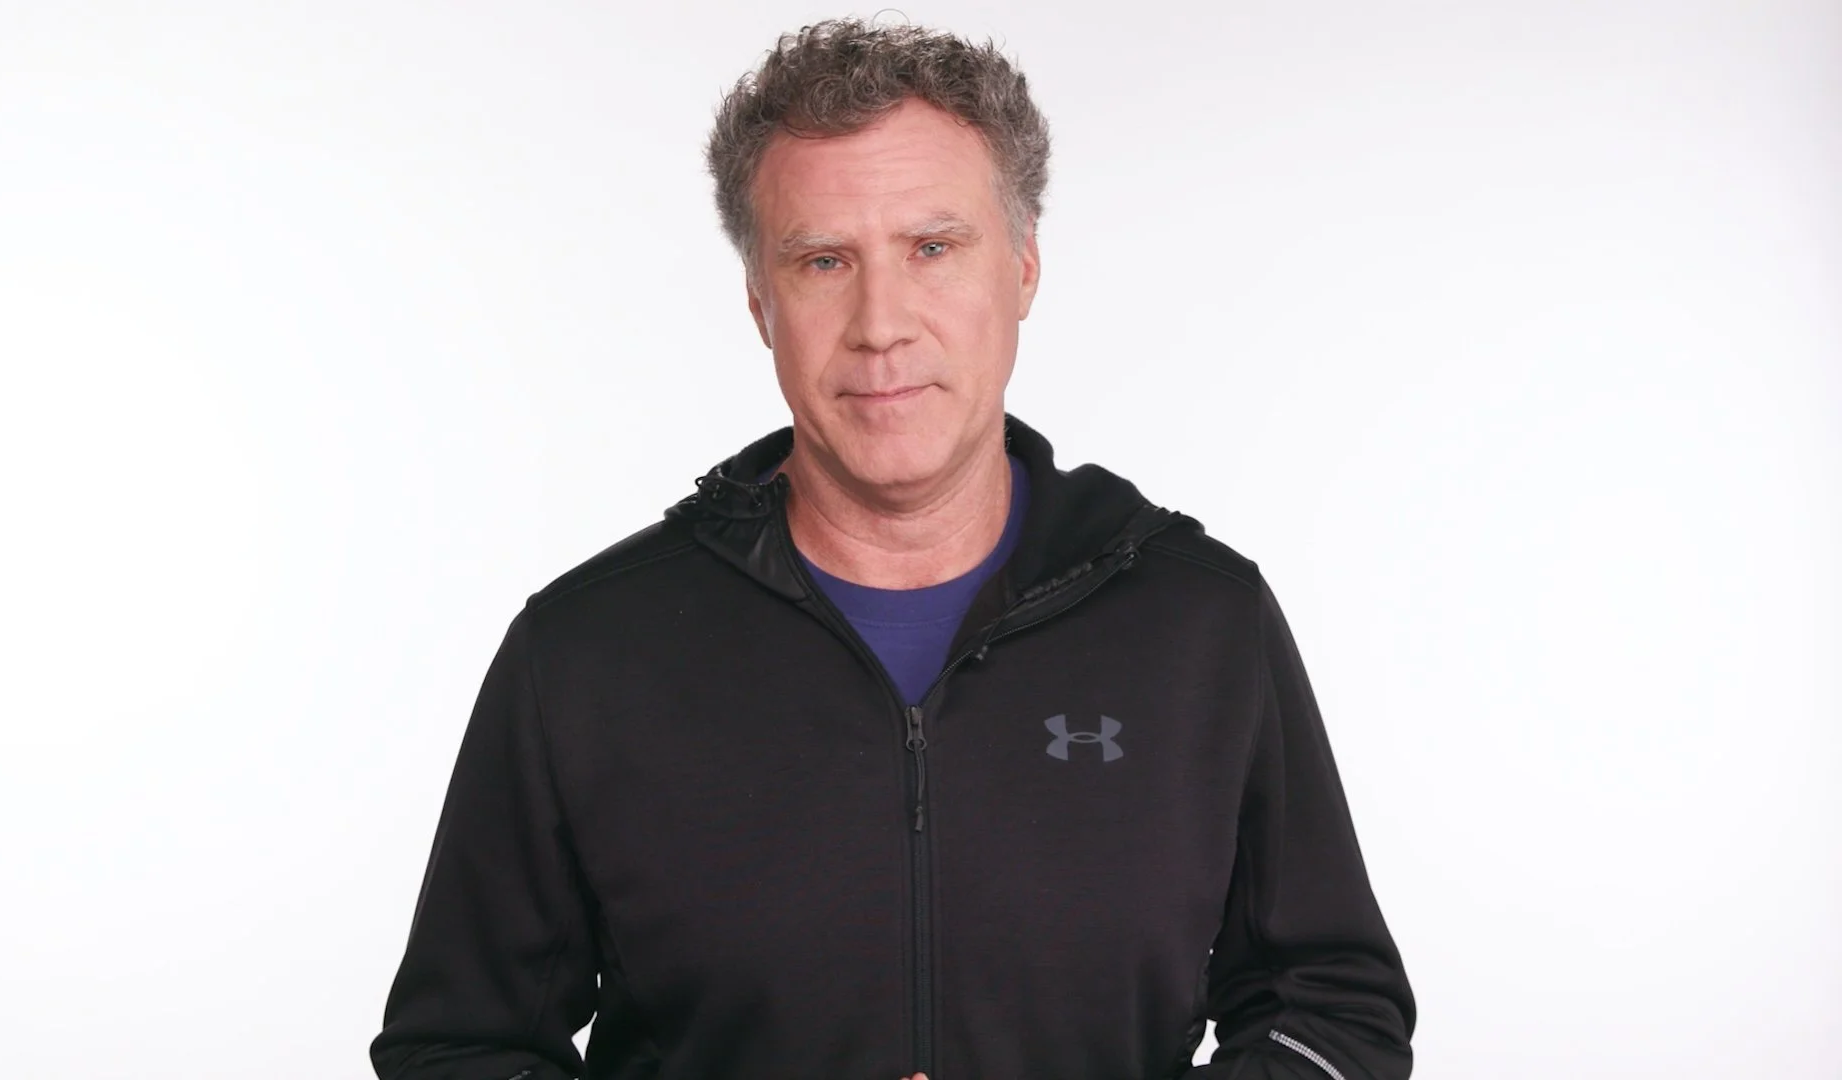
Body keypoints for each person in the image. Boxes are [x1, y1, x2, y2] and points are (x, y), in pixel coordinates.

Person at [369, 17, 1415, 1080]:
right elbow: (458, 1046)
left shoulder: (1200, 622)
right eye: (824, 261)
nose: (881, 324)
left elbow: (1332, 1011)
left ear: (1023, 269)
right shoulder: (587, 652)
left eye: (932, 248)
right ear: (760, 302)